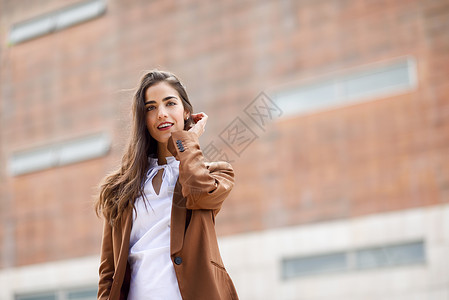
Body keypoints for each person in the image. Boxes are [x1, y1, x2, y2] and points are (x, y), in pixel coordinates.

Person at [94, 70, 239, 300]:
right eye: (150, 108)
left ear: (186, 112)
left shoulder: (215, 174)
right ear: (144, 119)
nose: (161, 113)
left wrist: (188, 141)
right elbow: (108, 273)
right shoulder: (120, 188)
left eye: (170, 103)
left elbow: (199, 192)